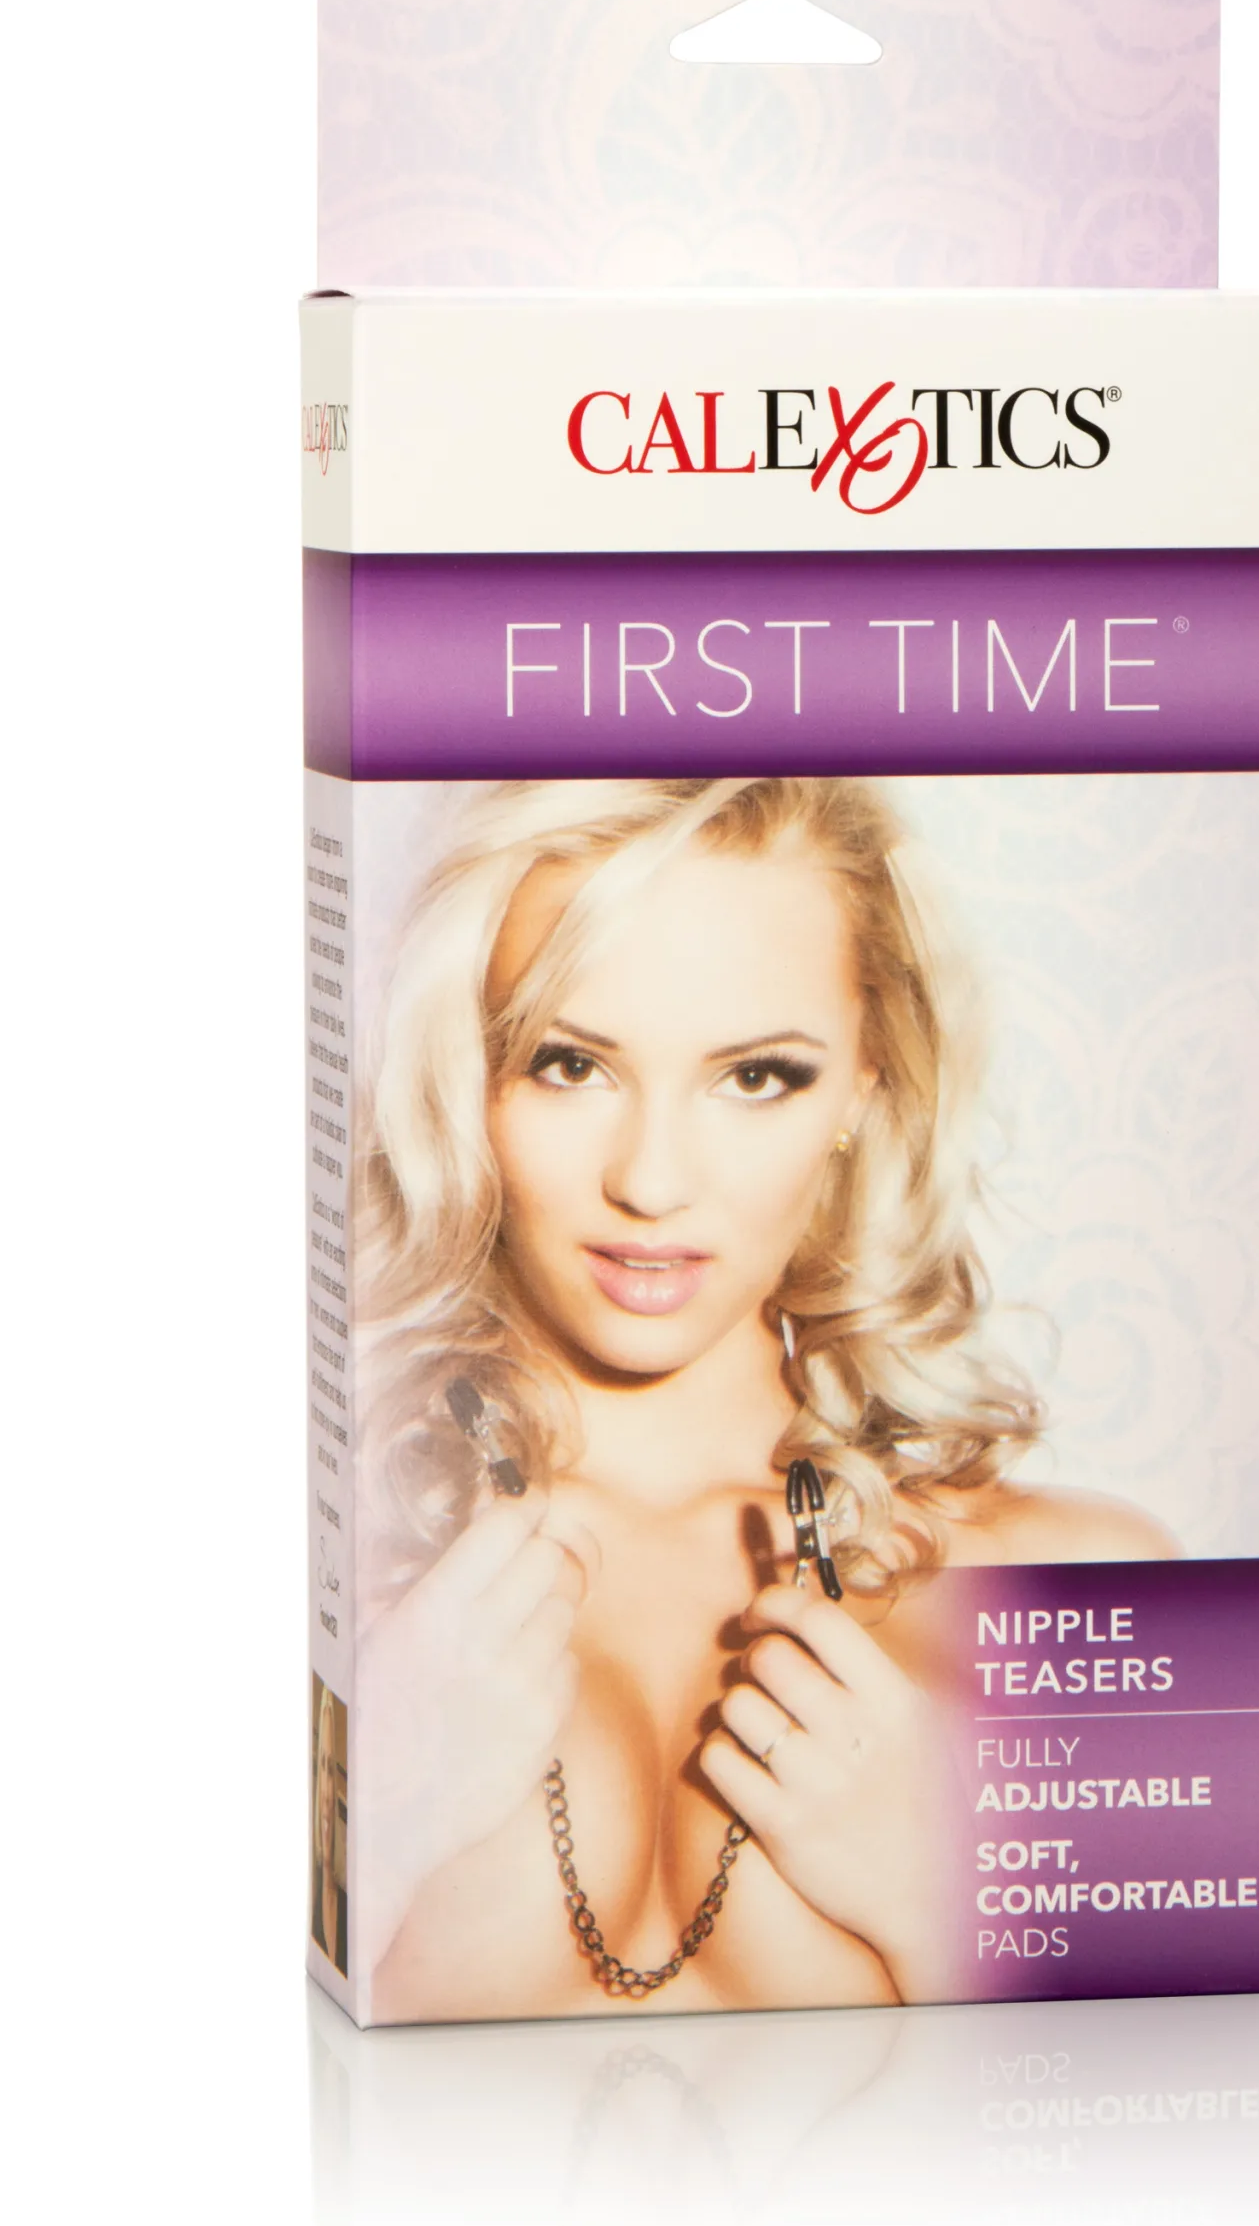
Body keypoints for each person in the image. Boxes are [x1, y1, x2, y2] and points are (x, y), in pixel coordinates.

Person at [347, 777, 1171, 2020]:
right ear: (465, 1077)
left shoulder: (1078, 1594)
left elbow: (1198, 2114)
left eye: (755, 1077)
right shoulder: (345, 1585)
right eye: (569, 1064)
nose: (651, 1179)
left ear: (864, 1088)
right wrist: (379, 1817)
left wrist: (965, 1916)